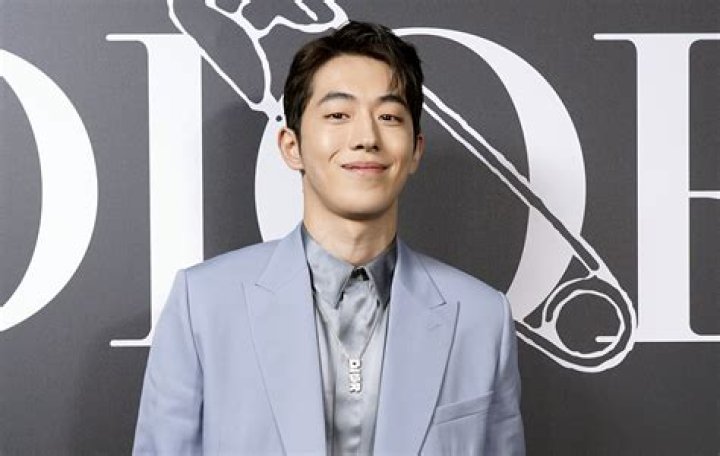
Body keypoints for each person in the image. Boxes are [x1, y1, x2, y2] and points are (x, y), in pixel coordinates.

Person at [133, 21, 525, 455]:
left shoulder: (481, 318)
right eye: (338, 115)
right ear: (291, 146)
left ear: (415, 149)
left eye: (389, 116)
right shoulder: (203, 304)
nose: (366, 138)